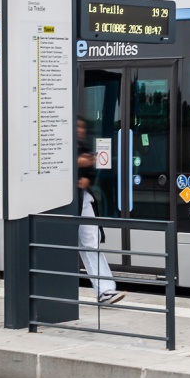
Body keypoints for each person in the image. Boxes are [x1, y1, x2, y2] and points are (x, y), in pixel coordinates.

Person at [76, 117, 124, 306]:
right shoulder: (59, 145)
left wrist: (86, 173)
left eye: (82, 127)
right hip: (65, 202)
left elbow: (89, 172)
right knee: (62, 245)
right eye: (77, 127)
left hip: (83, 199)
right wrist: (79, 163)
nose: (80, 130)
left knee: (91, 241)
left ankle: (105, 291)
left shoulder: (84, 147)